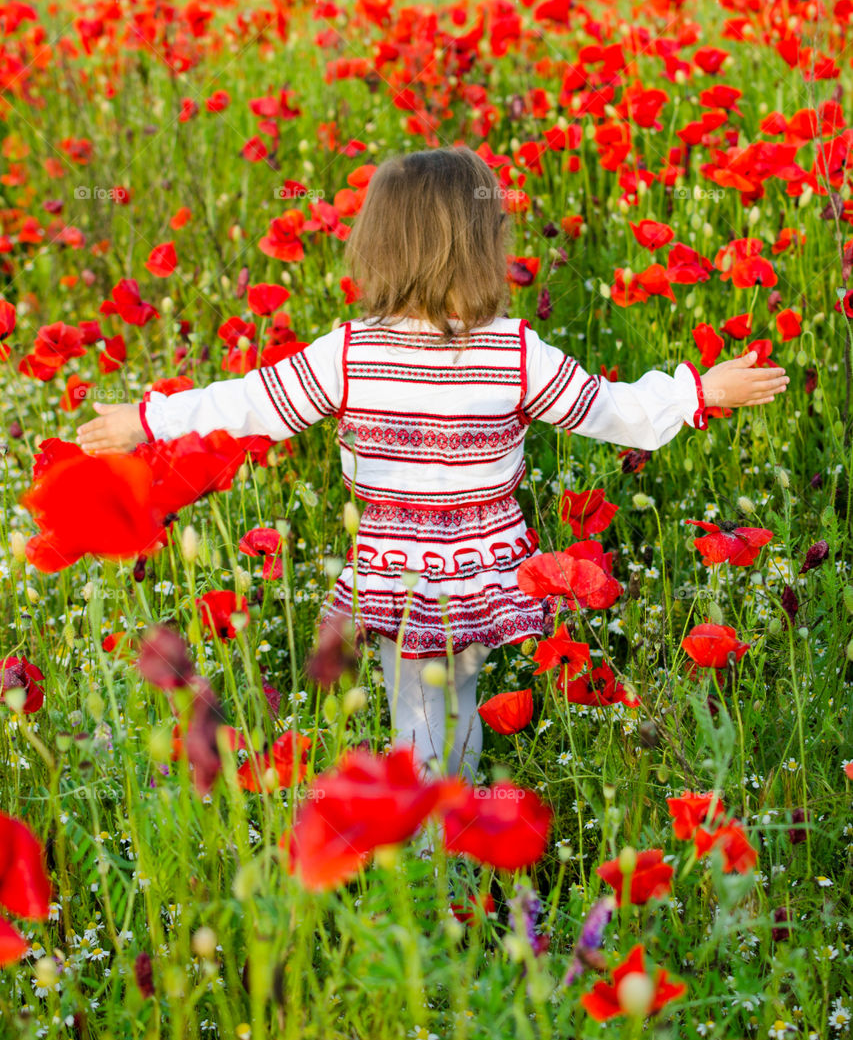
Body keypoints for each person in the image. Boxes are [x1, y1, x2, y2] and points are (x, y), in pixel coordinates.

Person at [77, 145, 790, 781]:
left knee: (417, 716)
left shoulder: (350, 352)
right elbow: (615, 414)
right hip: (475, 570)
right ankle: (445, 845)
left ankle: (428, 859)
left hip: (399, 571)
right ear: (479, 247)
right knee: (449, 713)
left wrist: (147, 419)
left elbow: (249, 404)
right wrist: (698, 390)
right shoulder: (512, 352)